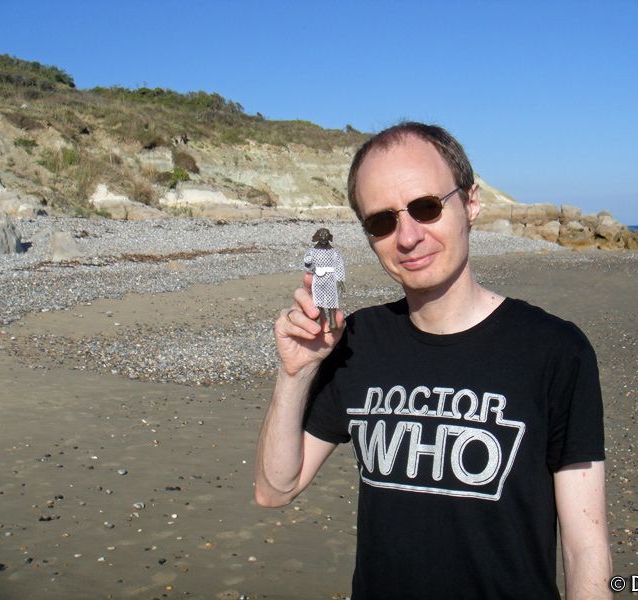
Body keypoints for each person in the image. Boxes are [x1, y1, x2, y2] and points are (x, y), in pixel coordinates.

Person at [255, 122, 612, 599]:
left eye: (426, 208)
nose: (407, 237)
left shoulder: (555, 350)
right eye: (382, 221)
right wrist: (295, 373)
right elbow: (274, 489)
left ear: (470, 203)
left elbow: (585, 546)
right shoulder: (360, 341)